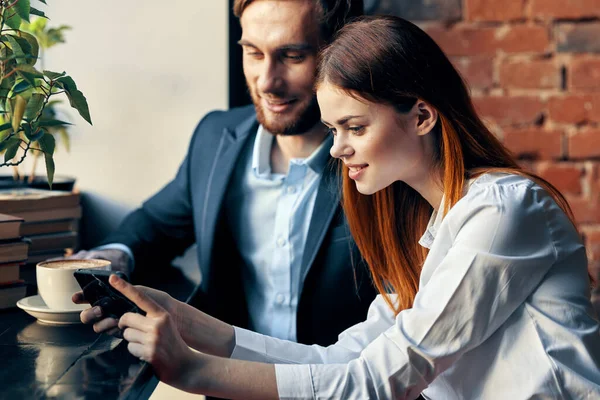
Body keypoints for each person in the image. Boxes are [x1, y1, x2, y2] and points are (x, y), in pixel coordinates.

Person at [79, 15, 600, 399]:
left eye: (355, 127)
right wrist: (186, 320)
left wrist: (193, 371)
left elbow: (385, 379)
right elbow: (345, 359)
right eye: (333, 129)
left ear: (421, 116)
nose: (336, 149)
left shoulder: (504, 210)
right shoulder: (428, 228)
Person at [73, 0, 377, 348]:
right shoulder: (215, 137)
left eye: (292, 57)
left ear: (342, 51)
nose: (267, 82)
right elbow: (157, 225)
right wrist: (116, 255)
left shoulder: (380, 161)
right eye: (253, 53)